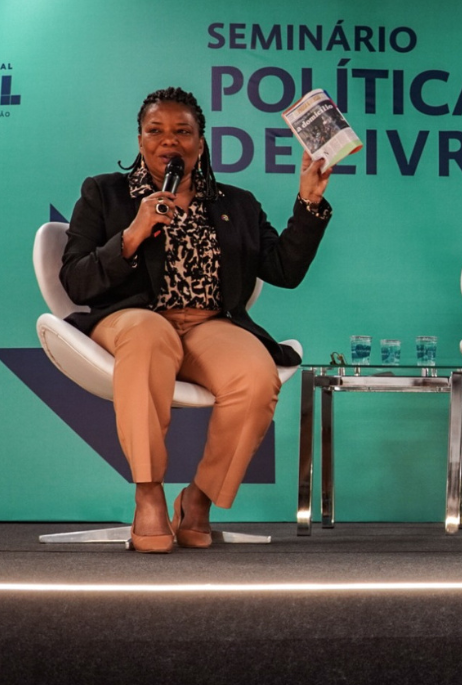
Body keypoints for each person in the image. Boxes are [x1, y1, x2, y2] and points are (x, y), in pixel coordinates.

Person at [60, 87, 333, 553]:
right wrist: (131, 236)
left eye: (183, 131)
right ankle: (148, 495)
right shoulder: (106, 193)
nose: (170, 141)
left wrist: (307, 203)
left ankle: (197, 499)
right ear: (141, 140)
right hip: (134, 320)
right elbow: (76, 281)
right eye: (156, 131)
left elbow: (284, 270)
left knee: (256, 375)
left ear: (201, 143)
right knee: (148, 336)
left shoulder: (236, 203)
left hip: (209, 324)